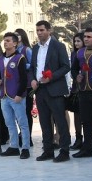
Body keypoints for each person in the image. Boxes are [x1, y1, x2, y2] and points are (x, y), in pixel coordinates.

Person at [30, 21, 72, 162]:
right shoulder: (35, 48)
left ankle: (64, 150)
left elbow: (66, 66)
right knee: (44, 121)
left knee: (60, 121)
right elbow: (33, 68)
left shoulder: (58, 46)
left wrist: (51, 77)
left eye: (42, 30)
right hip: (40, 90)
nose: (39, 33)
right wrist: (33, 80)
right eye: (37, 30)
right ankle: (47, 150)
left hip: (55, 89)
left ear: (49, 30)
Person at [0, 32, 31, 159]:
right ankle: (13, 146)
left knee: (22, 123)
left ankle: (26, 148)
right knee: (9, 123)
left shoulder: (20, 58)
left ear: (15, 43)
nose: (5, 43)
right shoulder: (1, 58)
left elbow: (24, 79)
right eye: (4, 40)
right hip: (4, 96)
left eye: (8, 40)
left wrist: (20, 94)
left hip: (16, 96)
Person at [72, 28, 92, 158]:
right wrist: (76, 76)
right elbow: (73, 68)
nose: (86, 39)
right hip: (84, 90)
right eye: (85, 37)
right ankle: (87, 148)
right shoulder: (80, 52)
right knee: (86, 120)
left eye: (89, 37)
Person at [68, 33, 84, 150]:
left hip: (88, 85)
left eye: (79, 41)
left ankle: (91, 137)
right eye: (75, 41)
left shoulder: (89, 51)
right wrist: (76, 76)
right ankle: (78, 137)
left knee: (88, 114)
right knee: (77, 113)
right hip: (76, 87)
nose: (76, 43)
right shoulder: (74, 53)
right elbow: (72, 68)